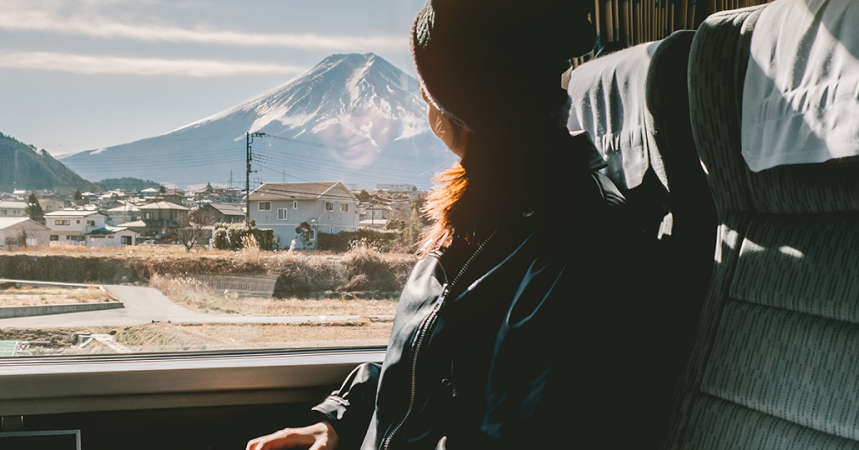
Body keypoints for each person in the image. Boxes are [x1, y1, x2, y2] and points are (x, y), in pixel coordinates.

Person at [248, 1, 658, 449]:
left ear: (466, 108)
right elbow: (438, 367)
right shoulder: (484, 211)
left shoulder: (578, 242)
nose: (423, 103)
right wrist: (338, 419)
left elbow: (511, 430)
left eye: (429, 91)